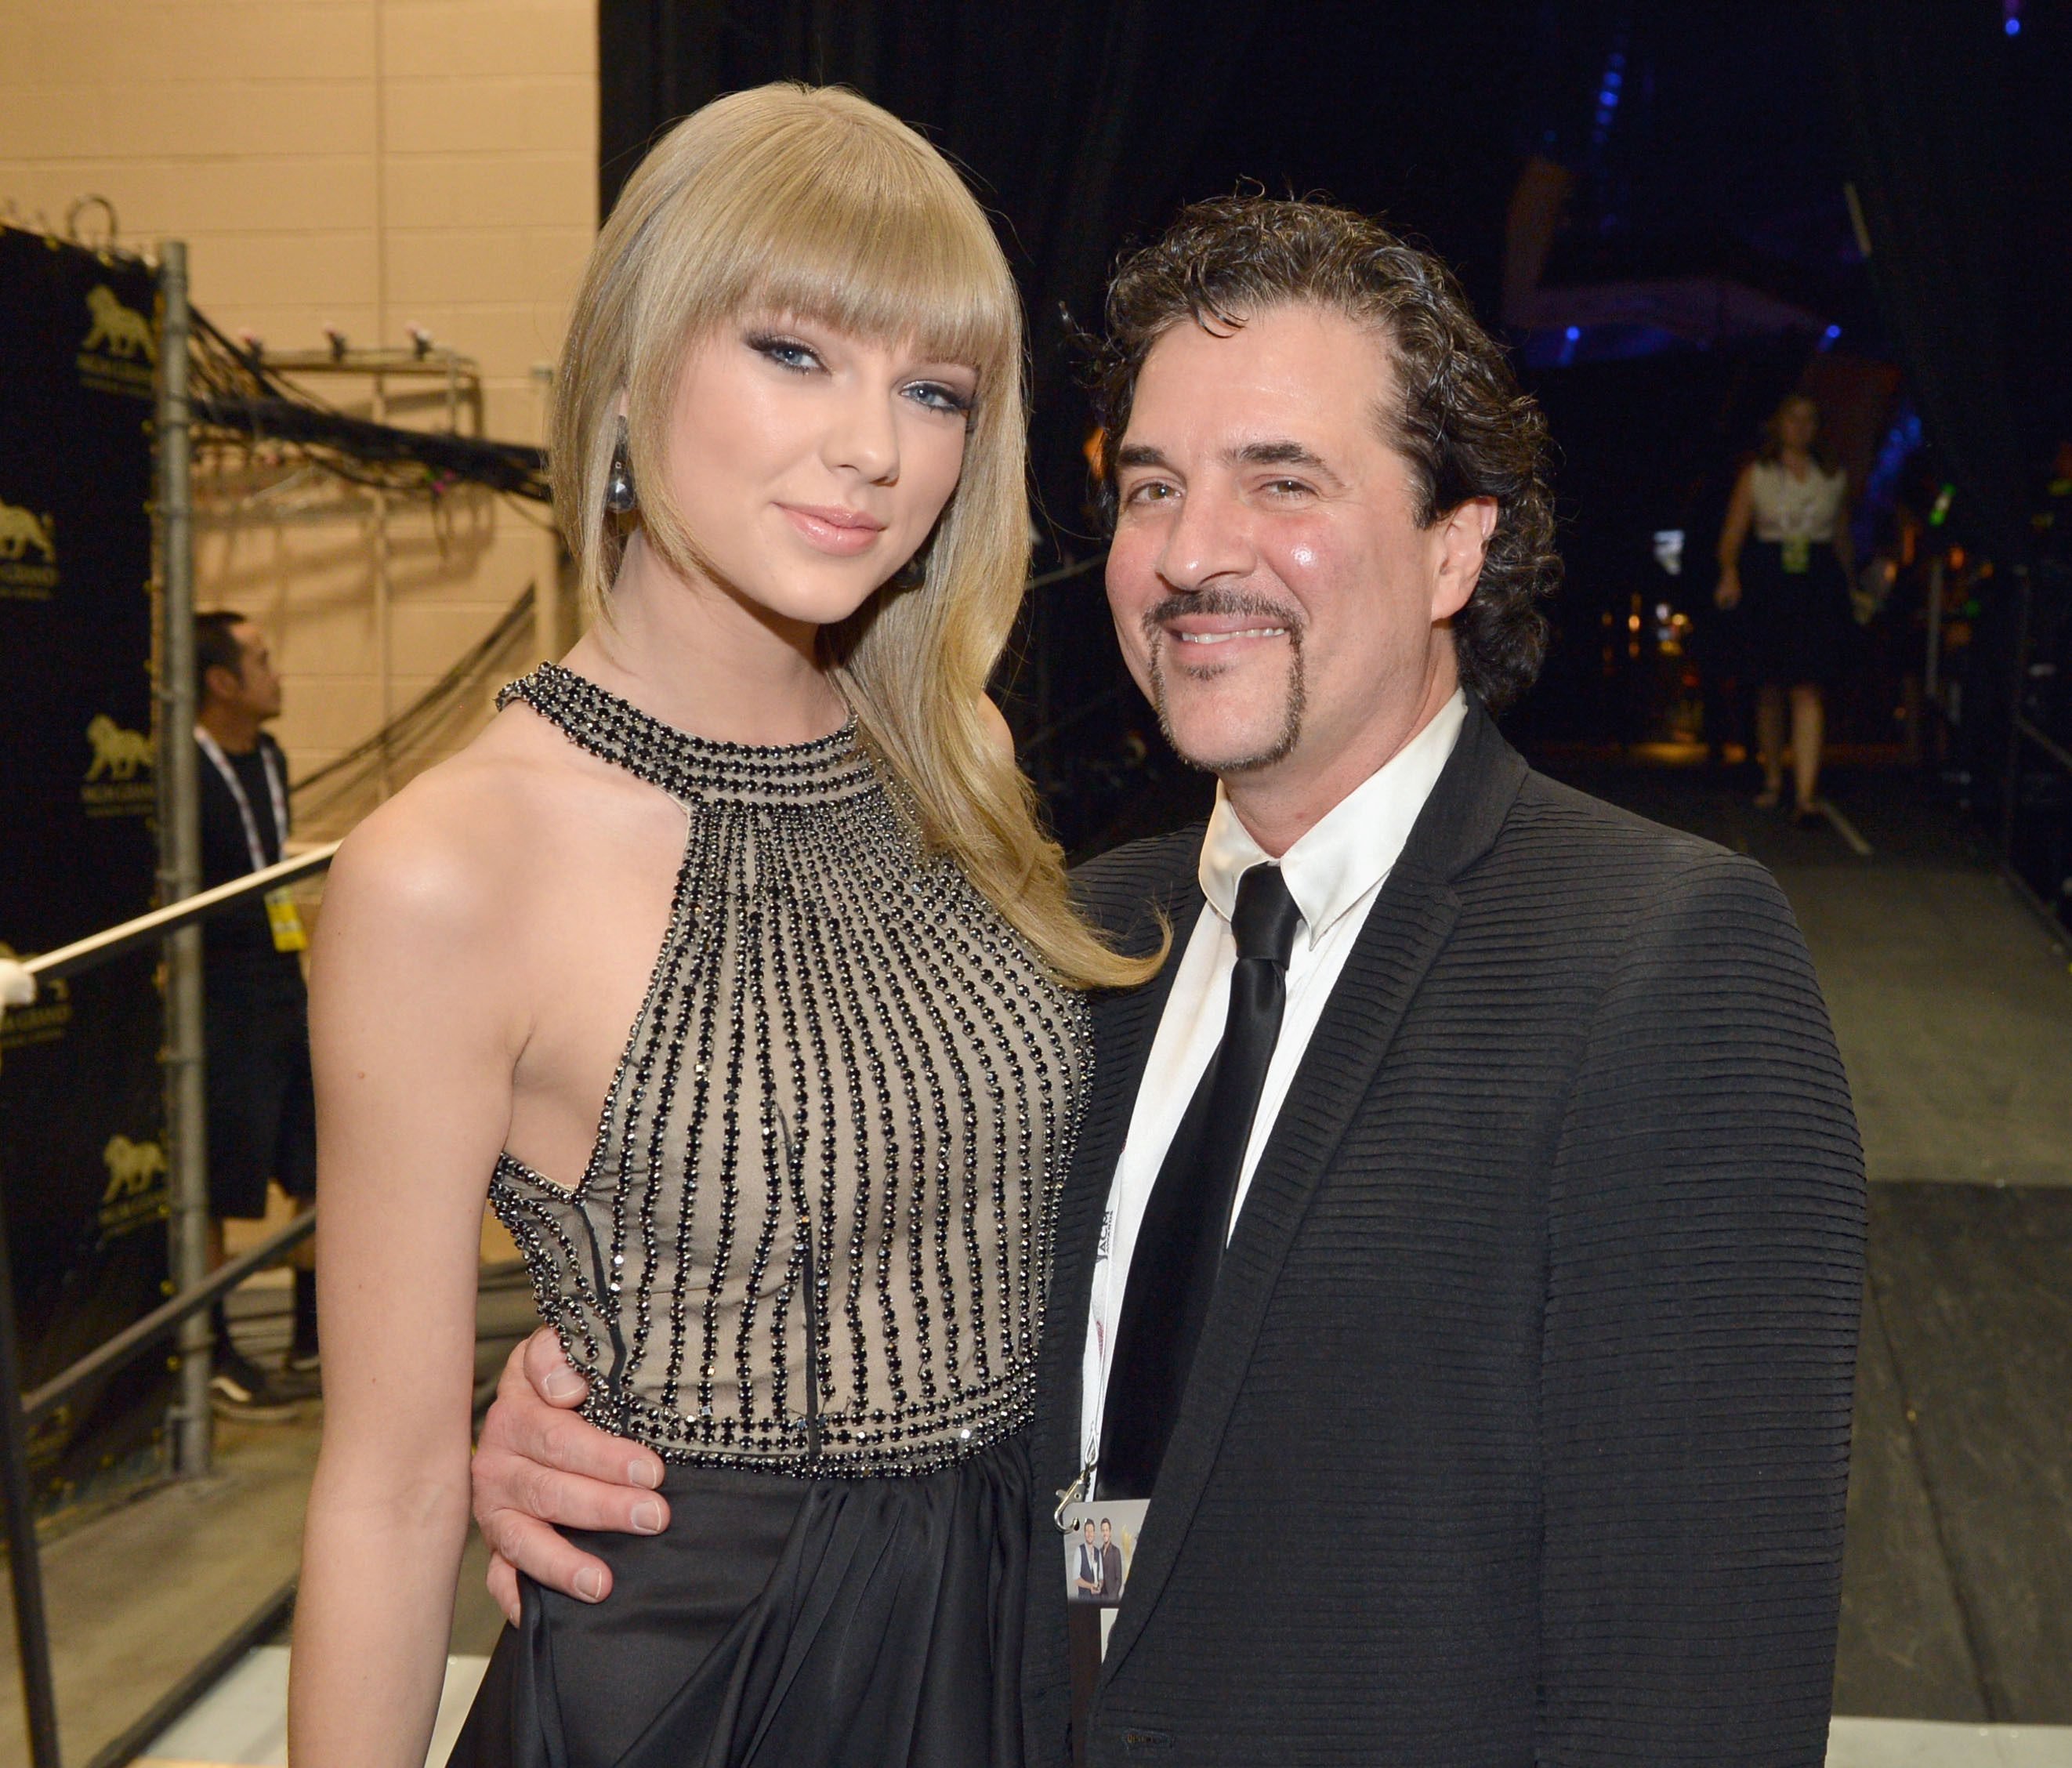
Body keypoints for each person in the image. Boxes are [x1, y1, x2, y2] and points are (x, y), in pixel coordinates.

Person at [473, 197, 1866, 1765]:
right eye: (1152, 487)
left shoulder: (1657, 957)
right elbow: (1018, 1456)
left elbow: (1696, 1681)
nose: (1193, 554)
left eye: (1281, 482)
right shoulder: (1067, 943)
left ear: (1451, 544)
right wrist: (602, 1430)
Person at [289, 85, 1154, 1768]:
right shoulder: (448, 872)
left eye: (932, 389)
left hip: (1007, 1629)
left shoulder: (952, 756)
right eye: (792, 353)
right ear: (627, 369)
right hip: (708, 1683)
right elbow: (386, 1493)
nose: (873, 448)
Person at [194, 610, 320, 1418]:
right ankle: (212, 1350)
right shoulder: (185, 770)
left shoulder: (268, 757)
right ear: (221, 681)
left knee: (317, 1167)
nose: (277, 676)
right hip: (218, 995)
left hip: (283, 985)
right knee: (220, 1180)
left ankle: (313, 1337)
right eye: (262, 661)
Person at [1715, 392, 1856, 817]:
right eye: (1793, 418)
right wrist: (1729, 572)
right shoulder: (1757, 473)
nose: (1801, 427)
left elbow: (1842, 537)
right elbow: (1734, 532)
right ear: (1779, 424)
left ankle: (1806, 792)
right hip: (1770, 577)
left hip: (1816, 578)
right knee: (1771, 685)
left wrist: (1851, 587)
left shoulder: (1832, 476)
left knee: (1809, 684)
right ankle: (1775, 777)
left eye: (1809, 419)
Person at [1071, 1520, 1101, 1602]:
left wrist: (1099, 1586)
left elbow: (1101, 1577)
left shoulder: (1098, 1552)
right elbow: (1076, 1579)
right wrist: (1090, 1586)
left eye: (1091, 1531)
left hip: (1097, 1600)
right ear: (1084, 1533)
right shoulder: (1079, 1550)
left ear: (1094, 1533)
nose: (1089, 1534)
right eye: (1087, 1531)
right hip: (1084, 1601)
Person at [1095, 1518, 1122, 1603]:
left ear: (1110, 1532)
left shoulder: (1115, 1551)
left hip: (1112, 1597)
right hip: (1101, 1597)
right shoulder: (1099, 1552)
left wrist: (1113, 1597)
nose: (1105, 1533)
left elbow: (1119, 1579)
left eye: (1106, 1530)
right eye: (1103, 1530)